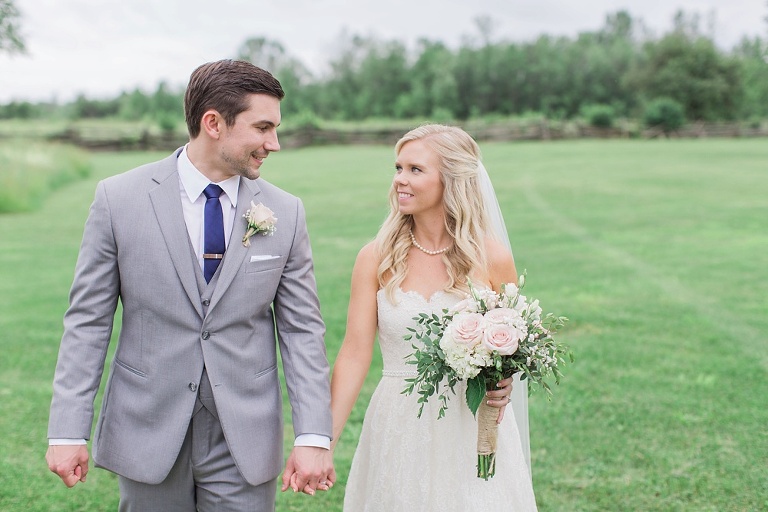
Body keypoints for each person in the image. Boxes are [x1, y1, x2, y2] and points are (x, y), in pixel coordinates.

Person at [45, 59, 335, 511]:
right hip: (147, 424)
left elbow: (302, 331)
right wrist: (67, 430)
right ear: (213, 123)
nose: (273, 144)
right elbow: (88, 322)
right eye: (262, 127)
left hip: (245, 434)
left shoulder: (287, 212)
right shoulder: (118, 200)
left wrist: (314, 435)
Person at [330, 124, 537, 511]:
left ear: (452, 180)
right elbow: (355, 354)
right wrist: (323, 442)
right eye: (398, 168)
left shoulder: (492, 259)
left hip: (470, 422)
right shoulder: (374, 258)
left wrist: (504, 381)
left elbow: (509, 346)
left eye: (415, 170)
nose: (399, 181)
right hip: (398, 423)